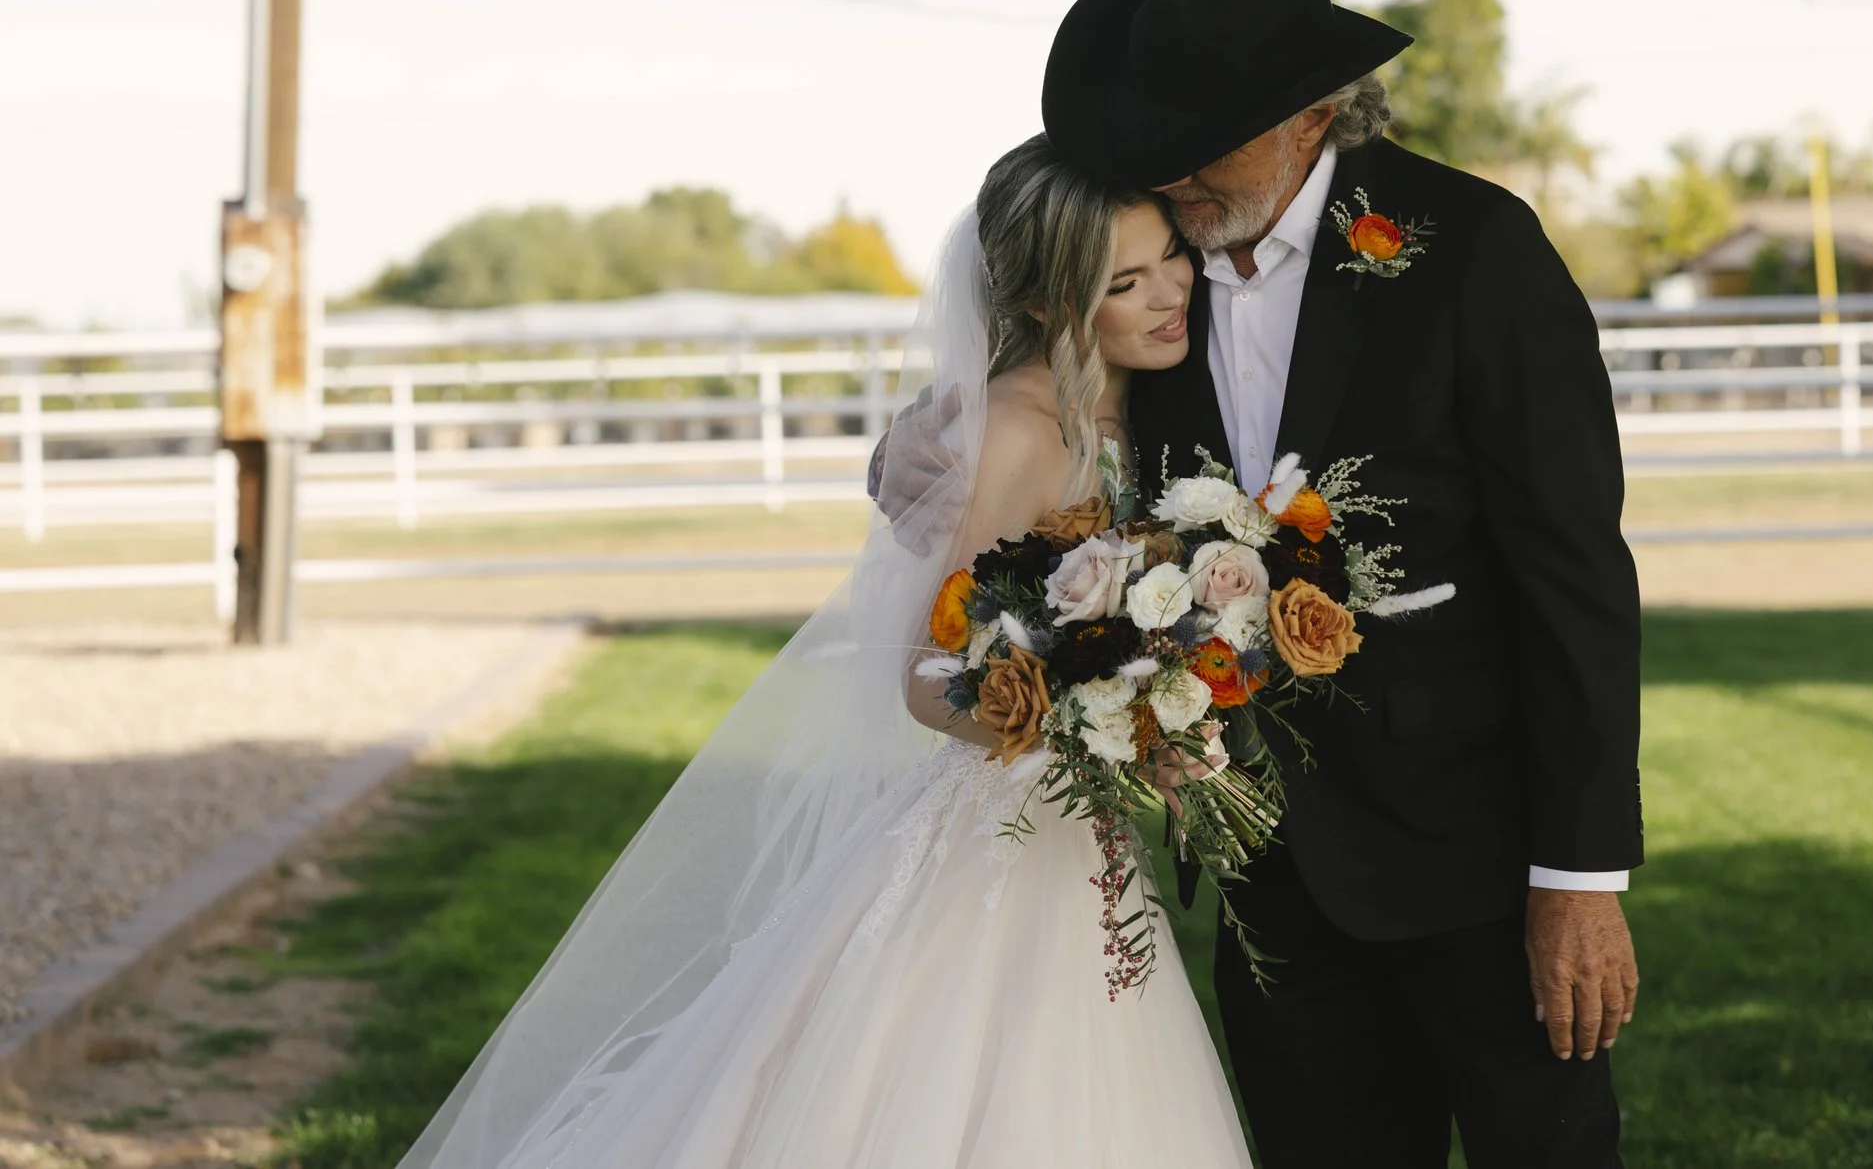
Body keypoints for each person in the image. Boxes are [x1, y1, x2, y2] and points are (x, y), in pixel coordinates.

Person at [391, 135, 1253, 1169]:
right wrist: (1099, 713)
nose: (1171, 293)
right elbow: (927, 678)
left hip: (1080, 836)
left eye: (1170, 258)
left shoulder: (1123, 408)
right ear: (1046, 305)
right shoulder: (1019, 430)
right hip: (999, 829)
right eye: (1126, 280)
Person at [1041, 0, 1645, 1169]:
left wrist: (1579, 878)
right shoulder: (1155, 276)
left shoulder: (1474, 249)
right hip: (1269, 875)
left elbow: (1573, 577)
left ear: (1312, 112)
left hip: (1480, 868)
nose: (1171, 169)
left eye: (1199, 135)